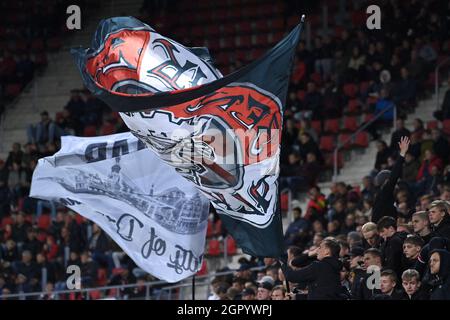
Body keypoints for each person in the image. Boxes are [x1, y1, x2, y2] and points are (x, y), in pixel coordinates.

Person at [372, 136, 410, 223]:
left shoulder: (383, 195)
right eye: (394, 182)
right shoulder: (385, 191)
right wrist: (402, 154)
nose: (396, 183)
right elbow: (394, 175)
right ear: (386, 181)